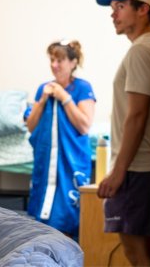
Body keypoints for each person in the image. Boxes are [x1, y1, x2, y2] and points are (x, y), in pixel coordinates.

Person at [96, 0, 150, 266]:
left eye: (120, 6)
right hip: (142, 168)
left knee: (137, 254)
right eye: (112, 7)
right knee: (148, 253)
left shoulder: (141, 51)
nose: (113, 13)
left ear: (143, 9)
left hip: (136, 169)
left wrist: (118, 173)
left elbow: (137, 114)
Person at [25, 39, 96, 239]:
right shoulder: (44, 88)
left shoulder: (82, 88)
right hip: (47, 164)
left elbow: (84, 125)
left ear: (73, 63)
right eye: (52, 60)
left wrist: (64, 97)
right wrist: (44, 99)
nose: (54, 65)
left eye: (60, 60)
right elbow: (31, 126)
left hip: (70, 163)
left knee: (66, 220)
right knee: (43, 225)